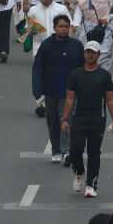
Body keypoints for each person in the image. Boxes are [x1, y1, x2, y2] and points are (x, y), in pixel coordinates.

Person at [61, 39, 113, 198]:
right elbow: (70, 99)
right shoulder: (75, 74)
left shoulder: (105, 76)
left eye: (93, 52)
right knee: (75, 150)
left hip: (97, 119)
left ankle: (91, 183)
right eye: (88, 52)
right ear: (84, 54)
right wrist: (65, 119)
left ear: (99, 55)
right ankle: (79, 172)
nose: (90, 55)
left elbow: (110, 100)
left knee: (94, 152)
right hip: (78, 118)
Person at [32, 14, 83, 162]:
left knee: (66, 119)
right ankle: (56, 150)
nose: (64, 29)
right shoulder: (47, 46)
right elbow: (37, 69)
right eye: (60, 26)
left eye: (66, 26)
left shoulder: (76, 46)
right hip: (50, 91)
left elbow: (82, 68)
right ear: (55, 28)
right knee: (52, 122)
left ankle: (66, 151)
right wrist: (37, 92)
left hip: (69, 92)